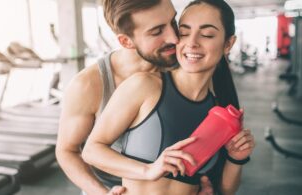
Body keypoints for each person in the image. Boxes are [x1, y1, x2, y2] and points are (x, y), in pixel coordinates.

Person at [56, 0, 231, 194]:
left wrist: (202, 185)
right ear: (126, 41)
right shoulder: (89, 84)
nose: (174, 38)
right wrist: (101, 192)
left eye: (173, 22)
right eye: (157, 31)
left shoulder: (185, 65)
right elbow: (67, 151)